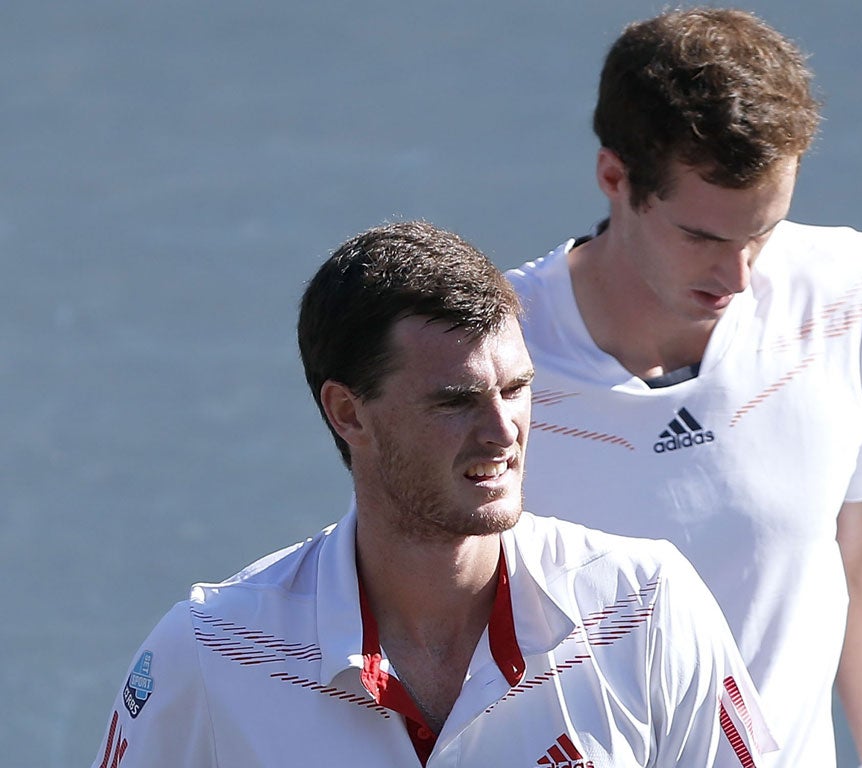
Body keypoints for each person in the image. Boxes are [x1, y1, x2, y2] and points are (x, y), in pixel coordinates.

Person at [91, 220, 777, 768]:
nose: (502, 431)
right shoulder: (210, 652)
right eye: (455, 402)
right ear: (349, 413)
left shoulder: (648, 607)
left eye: (516, 389)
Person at [507, 8, 862, 768]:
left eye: (762, 232)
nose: (738, 278)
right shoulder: (491, 361)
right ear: (615, 178)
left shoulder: (849, 290)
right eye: (703, 238)